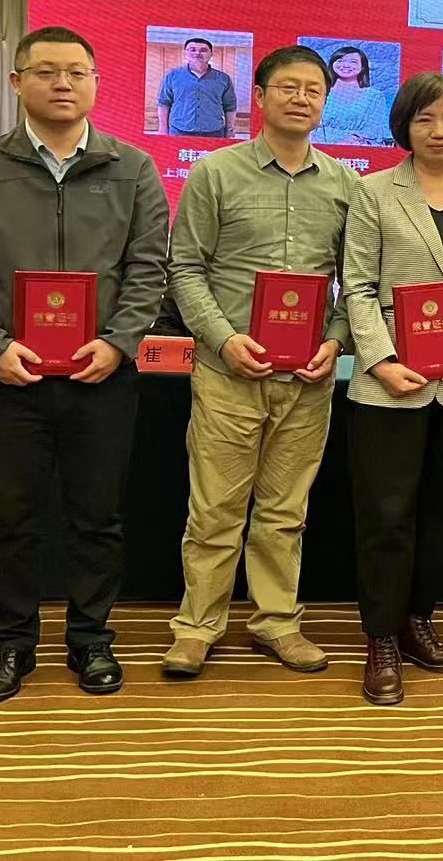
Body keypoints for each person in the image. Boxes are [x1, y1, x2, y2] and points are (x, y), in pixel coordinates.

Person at [0, 26, 169, 703]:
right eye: (45, 71)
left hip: (103, 374)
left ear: (95, 82)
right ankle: (12, 643)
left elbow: (148, 267)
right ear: (18, 83)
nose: (62, 83)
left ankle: (91, 640)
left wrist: (119, 341)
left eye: (76, 72)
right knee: (12, 515)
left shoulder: (133, 167)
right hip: (11, 376)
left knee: (98, 515)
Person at [162, 44, 358, 679]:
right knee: (215, 509)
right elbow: (185, 269)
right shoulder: (215, 173)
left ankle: (276, 621)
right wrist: (224, 340)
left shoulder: (345, 184)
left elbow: (355, 281)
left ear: (325, 102)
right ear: (259, 96)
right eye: (288, 87)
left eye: (312, 90)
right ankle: (197, 627)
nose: (301, 98)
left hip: (307, 378)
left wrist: (335, 340)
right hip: (229, 373)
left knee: (284, 512)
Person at [341, 72, 443, 704]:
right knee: (386, 515)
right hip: (390, 384)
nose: (439, 131)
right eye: (425, 119)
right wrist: (381, 360)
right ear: (404, 126)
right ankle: (382, 638)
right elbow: (357, 286)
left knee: (442, 511)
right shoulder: (372, 190)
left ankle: (418, 622)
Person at [157, 36, 237, 138]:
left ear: (211, 54)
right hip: (179, 130)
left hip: (214, 131)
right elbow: (164, 103)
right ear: (185, 53)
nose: (197, 53)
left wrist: (230, 129)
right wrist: (162, 129)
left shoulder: (223, 79)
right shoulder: (173, 76)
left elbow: (230, 106)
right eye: (192, 50)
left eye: (203, 50)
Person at [315, 45, 392, 146]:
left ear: (363, 67)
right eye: (340, 60)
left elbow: (376, 128)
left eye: (353, 62)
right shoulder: (320, 92)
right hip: (318, 145)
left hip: (357, 146)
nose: (346, 65)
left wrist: (351, 140)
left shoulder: (374, 96)